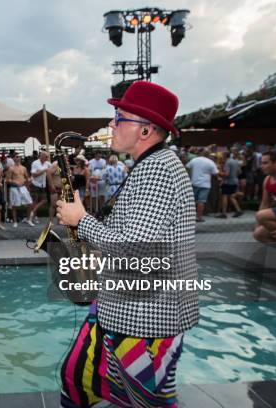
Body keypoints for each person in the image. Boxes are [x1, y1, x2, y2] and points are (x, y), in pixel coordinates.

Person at [56, 81, 198, 408]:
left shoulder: (157, 170)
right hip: (131, 309)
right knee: (90, 383)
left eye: (119, 117)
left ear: (145, 131)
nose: (111, 124)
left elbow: (136, 248)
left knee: (147, 402)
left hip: (145, 319)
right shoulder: (150, 165)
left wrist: (82, 220)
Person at [186, 148, 218, 222]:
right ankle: (199, 217)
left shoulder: (195, 160)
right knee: (201, 201)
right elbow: (215, 173)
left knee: (192, 201)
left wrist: (190, 175)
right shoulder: (210, 162)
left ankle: (189, 217)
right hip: (205, 184)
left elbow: (187, 167)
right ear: (208, 154)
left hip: (194, 183)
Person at [5, 153, 35, 227]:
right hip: (14, 188)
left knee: (30, 203)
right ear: (14, 159)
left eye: (19, 157)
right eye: (16, 157)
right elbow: (7, 180)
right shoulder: (11, 168)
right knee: (14, 205)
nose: (18, 158)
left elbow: (27, 177)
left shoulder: (23, 168)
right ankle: (15, 222)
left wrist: (29, 182)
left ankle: (28, 219)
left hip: (23, 187)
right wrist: (14, 182)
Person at [29, 151, 54, 224]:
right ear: (41, 156)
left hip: (43, 185)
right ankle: (33, 217)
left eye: (48, 156)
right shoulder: (35, 163)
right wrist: (44, 170)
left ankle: (32, 214)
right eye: (46, 156)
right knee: (35, 201)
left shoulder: (47, 163)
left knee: (44, 200)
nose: (48, 158)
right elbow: (33, 174)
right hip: (35, 184)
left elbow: (53, 168)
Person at [216, 151, 243, 218]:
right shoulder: (236, 161)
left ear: (225, 156)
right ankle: (238, 210)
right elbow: (239, 172)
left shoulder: (227, 162)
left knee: (224, 196)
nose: (222, 156)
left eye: (222, 155)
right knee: (231, 196)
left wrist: (218, 172)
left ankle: (224, 213)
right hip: (235, 181)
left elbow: (227, 174)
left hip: (228, 182)